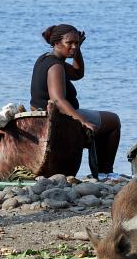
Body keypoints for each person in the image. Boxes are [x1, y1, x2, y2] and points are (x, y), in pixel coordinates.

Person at [30, 24, 121, 176]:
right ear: (57, 43)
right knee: (113, 121)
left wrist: (78, 51)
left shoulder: (46, 59)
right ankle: (105, 172)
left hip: (44, 115)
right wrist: (82, 121)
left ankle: (100, 171)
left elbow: (78, 73)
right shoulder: (56, 66)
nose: (74, 47)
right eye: (70, 43)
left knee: (104, 120)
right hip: (59, 117)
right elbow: (58, 101)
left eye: (77, 43)